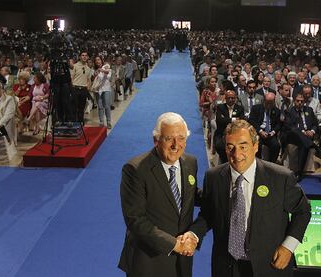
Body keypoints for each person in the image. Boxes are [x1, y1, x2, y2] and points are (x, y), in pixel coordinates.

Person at [187, 119, 311, 277]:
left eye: (243, 146)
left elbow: (303, 211)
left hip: (269, 266)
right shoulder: (213, 177)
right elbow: (209, 214)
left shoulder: (281, 178)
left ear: (255, 146)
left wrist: (288, 247)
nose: (236, 155)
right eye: (230, 147)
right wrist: (193, 234)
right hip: (226, 266)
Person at [118, 112, 200, 277]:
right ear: (156, 140)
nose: (176, 145)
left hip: (182, 261)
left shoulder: (190, 162)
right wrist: (174, 245)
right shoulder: (135, 169)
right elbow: (135, 220)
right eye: (169, 138)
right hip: (148, 262)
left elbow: (190, 195)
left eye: (181, 138)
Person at [248, 93, 281, 163]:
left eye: (271, 103)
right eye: (267, 103)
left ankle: (271, 164)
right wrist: (260, 131)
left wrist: (273, 132)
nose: (269, 105)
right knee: (257, 146)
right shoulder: (256, 108)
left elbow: (278, 124)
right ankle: (258, 163)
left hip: (270, 133)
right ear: (264, 101)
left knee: (276, 146)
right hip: (259, 132)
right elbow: (251, 121)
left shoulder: (277, 111)